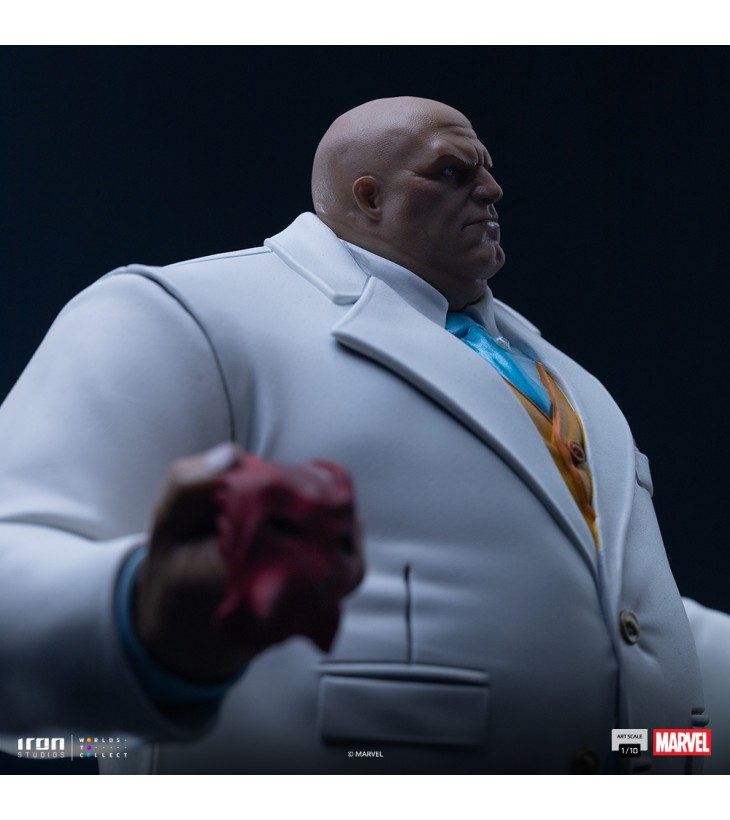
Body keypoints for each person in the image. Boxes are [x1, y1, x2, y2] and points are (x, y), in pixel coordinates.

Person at [0, 96, 728, 775]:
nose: (492, 190)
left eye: (488, 170)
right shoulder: (187, 315)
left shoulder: (567, 378)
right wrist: (144, 619)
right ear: (369, 198)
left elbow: (621, 613)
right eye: (453, 172)